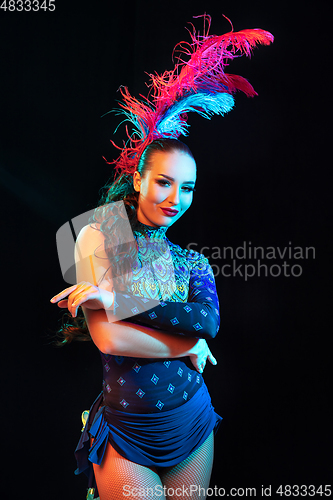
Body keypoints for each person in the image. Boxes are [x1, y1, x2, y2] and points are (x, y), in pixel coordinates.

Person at [50, 15, 273, 499]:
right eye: (164, 182)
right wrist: (183, 348)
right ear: (139, 179)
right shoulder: (95, 232)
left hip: (191, 422)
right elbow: (110, 339)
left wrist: (113, 293)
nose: (175, 197)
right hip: (128, 432)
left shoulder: (193, 261)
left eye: (187, 187)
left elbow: (207, 321)